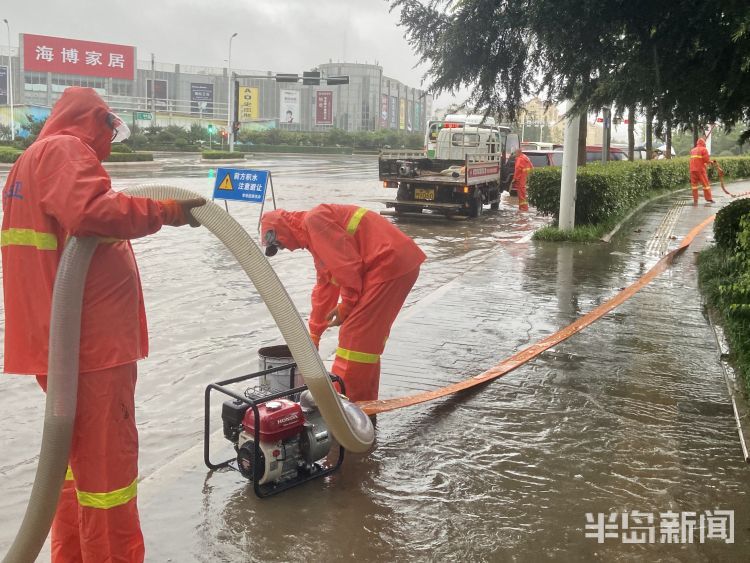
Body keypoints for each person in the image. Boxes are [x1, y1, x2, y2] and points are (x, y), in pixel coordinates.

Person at [1, 87, 205, 562]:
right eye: (110, 131)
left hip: (61, 347)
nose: (111, 143)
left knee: (72, 467)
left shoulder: (27, 162)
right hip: (92, 347)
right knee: (107, 476)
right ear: (95, 122)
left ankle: (73, 555)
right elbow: (94, 212)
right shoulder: (66, 150)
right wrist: (168, 212)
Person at [261, 204, 425, 403]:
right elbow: (325, 288)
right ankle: (363, 403)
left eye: (279, 245)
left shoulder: (315, 221)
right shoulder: (314, 235)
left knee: (355, 336)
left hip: (389, 264)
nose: (284, 248)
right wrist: (314, 335)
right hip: (392, 264)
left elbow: (347, 268)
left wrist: (346, 306)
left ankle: (346, 405)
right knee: (365, 343)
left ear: (279, 232)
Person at [689, 137, 715, 205]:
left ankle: (695, 200)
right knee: (706, 184)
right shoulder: (704, 149)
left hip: (692, 170)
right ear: (703, 143)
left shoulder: (692, 150)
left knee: (694, 186)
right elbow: (706, 160)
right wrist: (711, 162)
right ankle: (709, 199)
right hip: (700, 170)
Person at [512, 147, 533, 211]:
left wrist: (515, 179)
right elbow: (531, 167)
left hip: (521, 178)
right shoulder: (525, 157)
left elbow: (517, 169)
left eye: (515, 153)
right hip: (525, 177)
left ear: (518, 152)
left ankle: (523, 208)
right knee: (523, 194)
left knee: (521, 194)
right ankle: (523, 208)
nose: (514, 154)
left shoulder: (519, 159)